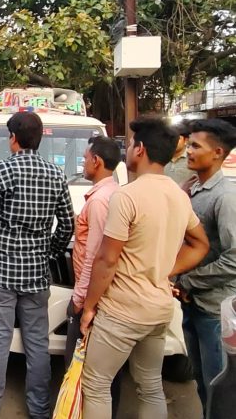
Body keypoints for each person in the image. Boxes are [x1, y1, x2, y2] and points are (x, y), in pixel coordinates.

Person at [80, 117, 209, 419]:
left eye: (130, 144)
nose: (126, 150)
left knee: (96, 385)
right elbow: (200, 244)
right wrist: (163, 269)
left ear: (140, 150)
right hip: (158, 309)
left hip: (123, 311)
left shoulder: (127, 196)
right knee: (150, 385)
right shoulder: (178, 195)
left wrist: (89, 307)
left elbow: (107, 260)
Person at [0, 111, 75, 419]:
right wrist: (49, 252)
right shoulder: (56, 174)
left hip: (1, 274)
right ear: (38, 139)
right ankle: (39, 410)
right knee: (37, 345)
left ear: (13, 139)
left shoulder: (2, 171)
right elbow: (67, 225)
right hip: (37, 275)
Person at [175, 119, 236, 414]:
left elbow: (234, 259)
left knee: (216, 387)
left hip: (214, 309)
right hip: (193, 305)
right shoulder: (195, 190)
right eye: (189, 145)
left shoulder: (224, 197)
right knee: (200, 382)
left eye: (196, 146)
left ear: (217, 152)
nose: (188, 151)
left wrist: (188, 281)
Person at [64, 136, 122, 416]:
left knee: (80, 365)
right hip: (105, 294)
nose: (83, 163)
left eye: (85, 158)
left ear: (97, 161)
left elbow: (96, 256)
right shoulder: (114, 193)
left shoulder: (99, 201)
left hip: (91, 295)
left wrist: (80, 300)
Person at [165, 121, 196, 185]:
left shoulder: (193, 158)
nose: (172, 141)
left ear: (186, 140)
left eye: (177, 138)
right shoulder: (161, 157)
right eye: (169, 138)